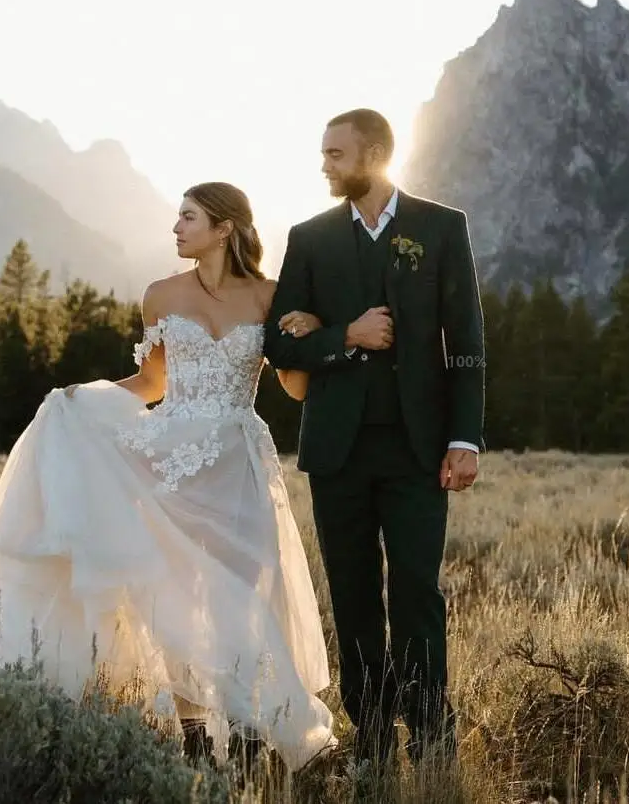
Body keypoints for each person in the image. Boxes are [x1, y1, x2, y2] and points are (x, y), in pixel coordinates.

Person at [0, 181, 337, 776]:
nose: (176, 228)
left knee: (248, 593)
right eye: (177, 217)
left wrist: (306, 336)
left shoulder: (272, 296)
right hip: (172, 460)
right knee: (179, 590)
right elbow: (151, 386)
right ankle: (195, 736)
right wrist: (80, 399)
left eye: (188, 217)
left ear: (224, 228)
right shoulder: (161, 295)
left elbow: (294, 388)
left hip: (240, 458)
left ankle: (246, 734)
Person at [263, 108, 485, 770]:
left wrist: (465, 437)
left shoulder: (441, 228)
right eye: (323, 153)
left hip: (418, 450)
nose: (324, 164)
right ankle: (373, 737)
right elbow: (275, 341)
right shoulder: (308, 238)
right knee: (353, 593)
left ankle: (427, 726)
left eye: (335, 153)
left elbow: (466, 339)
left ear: (375, 155)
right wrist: (342, 337)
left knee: (417, 591)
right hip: (337, 450)